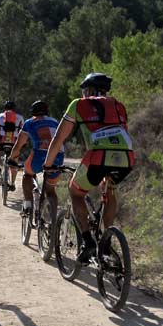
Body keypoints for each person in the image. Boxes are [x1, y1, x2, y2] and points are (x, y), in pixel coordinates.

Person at [43, 73, 134, 263]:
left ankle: (87, 242)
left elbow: (59, 138)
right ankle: (107, 240)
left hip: (97, 157)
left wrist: (48, 164)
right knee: (109, 189)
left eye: (84, 90)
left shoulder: (78, 104)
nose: (83, 93)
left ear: (89, 90)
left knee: (75, 192)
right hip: (126, 159)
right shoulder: (118, 105)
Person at [5, 99, 64, 218]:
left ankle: (27, 206)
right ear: (47, 112)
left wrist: (12, 158)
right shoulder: (56, 122)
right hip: (59, 155)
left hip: (40, 154)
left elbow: (18, 144)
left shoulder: (29, 122)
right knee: (51, 190)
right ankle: (52, 222)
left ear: (33, 113)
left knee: (27, 175)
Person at [0, 99, 23, 188]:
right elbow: (22, 131)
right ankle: (13, 183)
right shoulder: (20, 117)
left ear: (5, 108)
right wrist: (23, 143)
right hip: (14, 142)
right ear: (14, 109)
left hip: (1, 141)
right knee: (14, 161)